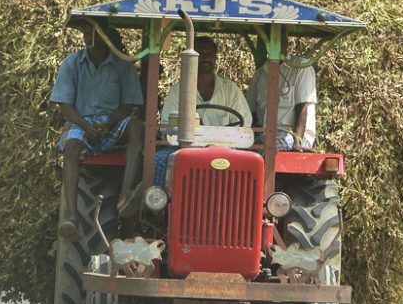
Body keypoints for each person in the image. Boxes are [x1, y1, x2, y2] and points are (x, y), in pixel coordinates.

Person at [50, 22, 144, 240]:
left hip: (112, 125)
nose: (88, 37)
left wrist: (109, 124)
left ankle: (126, 195)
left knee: (138, 127)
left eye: (94, 32)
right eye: (86, 33)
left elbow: (128, 105)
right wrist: (85, 126)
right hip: (81, 123)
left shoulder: (122, 65)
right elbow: (65, 106)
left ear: (107, 35)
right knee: (72, 146)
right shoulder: (72, 63)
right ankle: (71, 216)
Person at [151, 37, 252, 190]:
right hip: (185, 148)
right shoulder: (179, 90)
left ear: (215, 58)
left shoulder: (230, 89)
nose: (206, 58)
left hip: (226, 149)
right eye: (201, 54)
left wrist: (218, 138)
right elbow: (167, 125)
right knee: (159, 160)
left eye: (210, 54)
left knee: (251, 163)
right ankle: (158, 207)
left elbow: (245, 122)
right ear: (191, 58)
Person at [246, 33, 317, 150]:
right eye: (271, 41)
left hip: (293, 133)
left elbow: (302, 107)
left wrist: (297, 142)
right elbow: (251, 112)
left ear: (286, 43)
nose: (275, 45)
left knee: (271, 144)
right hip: (264, 133)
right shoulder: (260, 74)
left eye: (278, 41)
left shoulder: (300, 67)